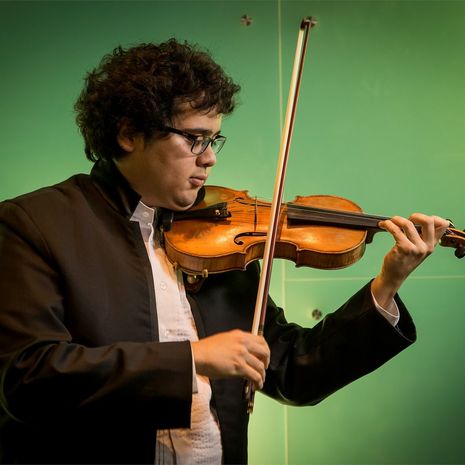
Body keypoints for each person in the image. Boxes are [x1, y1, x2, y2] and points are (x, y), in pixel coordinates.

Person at [0, 39, 449, 465]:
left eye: (214, 140)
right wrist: (193, 358)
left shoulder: (216, 238)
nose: (210, 158)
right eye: (194, 139)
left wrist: (388, 283)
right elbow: (27, 379)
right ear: (128, 134)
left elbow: (293, 371)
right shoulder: (33, 225)